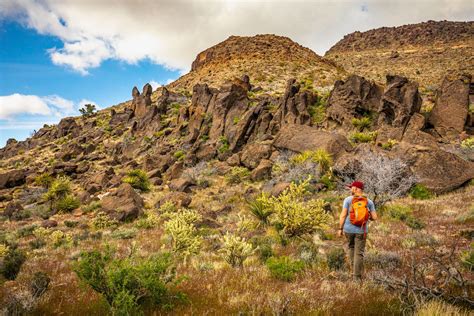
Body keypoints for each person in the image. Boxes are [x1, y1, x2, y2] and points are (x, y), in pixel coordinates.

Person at [337, 181, 377, 280]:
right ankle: (356, 277)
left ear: (355, 189)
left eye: (352, 187)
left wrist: (340, 229)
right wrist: (367, 217)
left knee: (351, 248)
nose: (351, 189)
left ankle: (353, 271)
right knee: (359, 253)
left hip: (348, 230)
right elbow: (375, 217)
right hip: (361, 230)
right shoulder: (369, 201)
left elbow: (343, 215)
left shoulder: (347, 200)